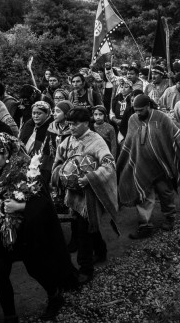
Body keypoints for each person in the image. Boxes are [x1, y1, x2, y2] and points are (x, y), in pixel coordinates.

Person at [0, 133, 77, 322]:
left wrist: (20, 207)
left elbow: (44, 204)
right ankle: (10, 316)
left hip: (26, 232)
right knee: (0, 273)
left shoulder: (28, 169)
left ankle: (55, 295)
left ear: (6, 152)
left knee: (35, 269)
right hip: (0, 233)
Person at [116, 94, 180, 239]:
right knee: (143, 195)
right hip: (140, 164)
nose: (138, 113)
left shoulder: (162, 118)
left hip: (161, 165)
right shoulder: (133, 119)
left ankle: (170, 217)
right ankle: (145, 225)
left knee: (165, 193)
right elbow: (129, 142)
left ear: (148, 106)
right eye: (135, 110)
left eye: (141, 110)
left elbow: (177, 136)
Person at [51, 107, 119, 285]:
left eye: (75, 124)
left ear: (86, 123)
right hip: (73, 194)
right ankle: (101, 251)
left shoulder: (97, 141)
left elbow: (109, 164)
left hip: (90, 195)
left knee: (83, 231)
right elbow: (57, 162)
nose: (71, 127)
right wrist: (62, 174)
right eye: (69, 124)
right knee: (87, 226)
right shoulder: (67, 141)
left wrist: (90, 178)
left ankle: (86, 269)